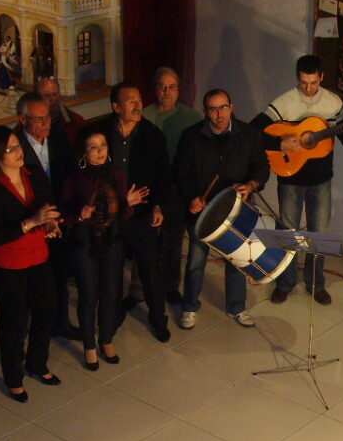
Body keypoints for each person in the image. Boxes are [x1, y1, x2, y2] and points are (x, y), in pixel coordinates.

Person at [251, 54, 343, 306]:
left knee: (320, 234)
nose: (308, 88)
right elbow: (254, 132)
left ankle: (316, 283)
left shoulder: (333, 103)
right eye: (304, 82)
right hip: (290, 178)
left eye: (313, 82)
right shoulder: (284, 103)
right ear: (298, 78)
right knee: (288, 233)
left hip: (321, 180)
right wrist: (280, 142)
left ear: (321, 78)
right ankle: (285, 282)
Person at [0, 125, 61, 403]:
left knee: (46, 311)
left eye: (18, 146)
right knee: (14, 322)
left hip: (39, 256)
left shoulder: (34, 174)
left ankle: (37, 363)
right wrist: (31, 222)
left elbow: (47, 207)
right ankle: (13, 377)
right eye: (11, 149)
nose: (18, 152)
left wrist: (51, 223)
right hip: (8, 264)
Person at [174, 88, 268, 329]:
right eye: (213, 109)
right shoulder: (191, 136)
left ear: (232, 107)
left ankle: (237, 307)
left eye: (223, 107)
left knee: (235, 261)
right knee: (196, 262)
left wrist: (251, 185)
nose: (219, 114)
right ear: (205, 112)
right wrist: (190, 198)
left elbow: (261, 168)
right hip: (202, 211)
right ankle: (190, 306)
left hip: (235, 209)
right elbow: (180, 173)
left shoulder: (249, 134)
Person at [61, 128, 150, 369]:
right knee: (89, 295)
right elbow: (65, 215)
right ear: (84, 151)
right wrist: (80, 215)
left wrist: (129, 204)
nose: (100, 151)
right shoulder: (74, 177)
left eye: (103, 145)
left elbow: (123, 214)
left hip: (112, 242)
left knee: (111, 293)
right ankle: (89, 344)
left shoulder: (117, 175)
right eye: (93, 147)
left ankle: (107, 339)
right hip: (84, 243)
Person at [96, 80, 170, 342]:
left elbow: (163, 175)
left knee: (150, 270)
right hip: (111, 217)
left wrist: (158, 205)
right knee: (112, 271)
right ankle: (113, 315)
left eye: (139, 100)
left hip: (141, 215)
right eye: (131, 101)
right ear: (117, 107)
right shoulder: (99, 134)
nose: (138, 105)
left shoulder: (152, 135)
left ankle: (158, 318)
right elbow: (87, 173)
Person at [16, 91, 79, 340]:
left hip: (59, 219)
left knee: (60, 275)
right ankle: (35, 331)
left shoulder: (59, 139)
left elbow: (69, 176)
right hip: (31, 222)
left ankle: (61, 323)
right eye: (38, 119)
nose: (45, 124)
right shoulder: (14, 147)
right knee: (34, 284)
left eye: (48, 118)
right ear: (23, 120)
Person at [143, 67, 202, 303]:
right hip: (149, 188)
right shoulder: (144, 115)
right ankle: (141, 288)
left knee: (173, 240)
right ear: (155, 88)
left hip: (178, 189)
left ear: (179, 90)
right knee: (146, 240)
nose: (166, 92)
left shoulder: (192, 118)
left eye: (172, 87)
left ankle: (169, 286)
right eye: (161, 86)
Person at [36, 76, 85, 147]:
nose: (52, 99)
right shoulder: (28, 126)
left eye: (55, 94)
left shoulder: (76, 122)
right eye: (47, 96)